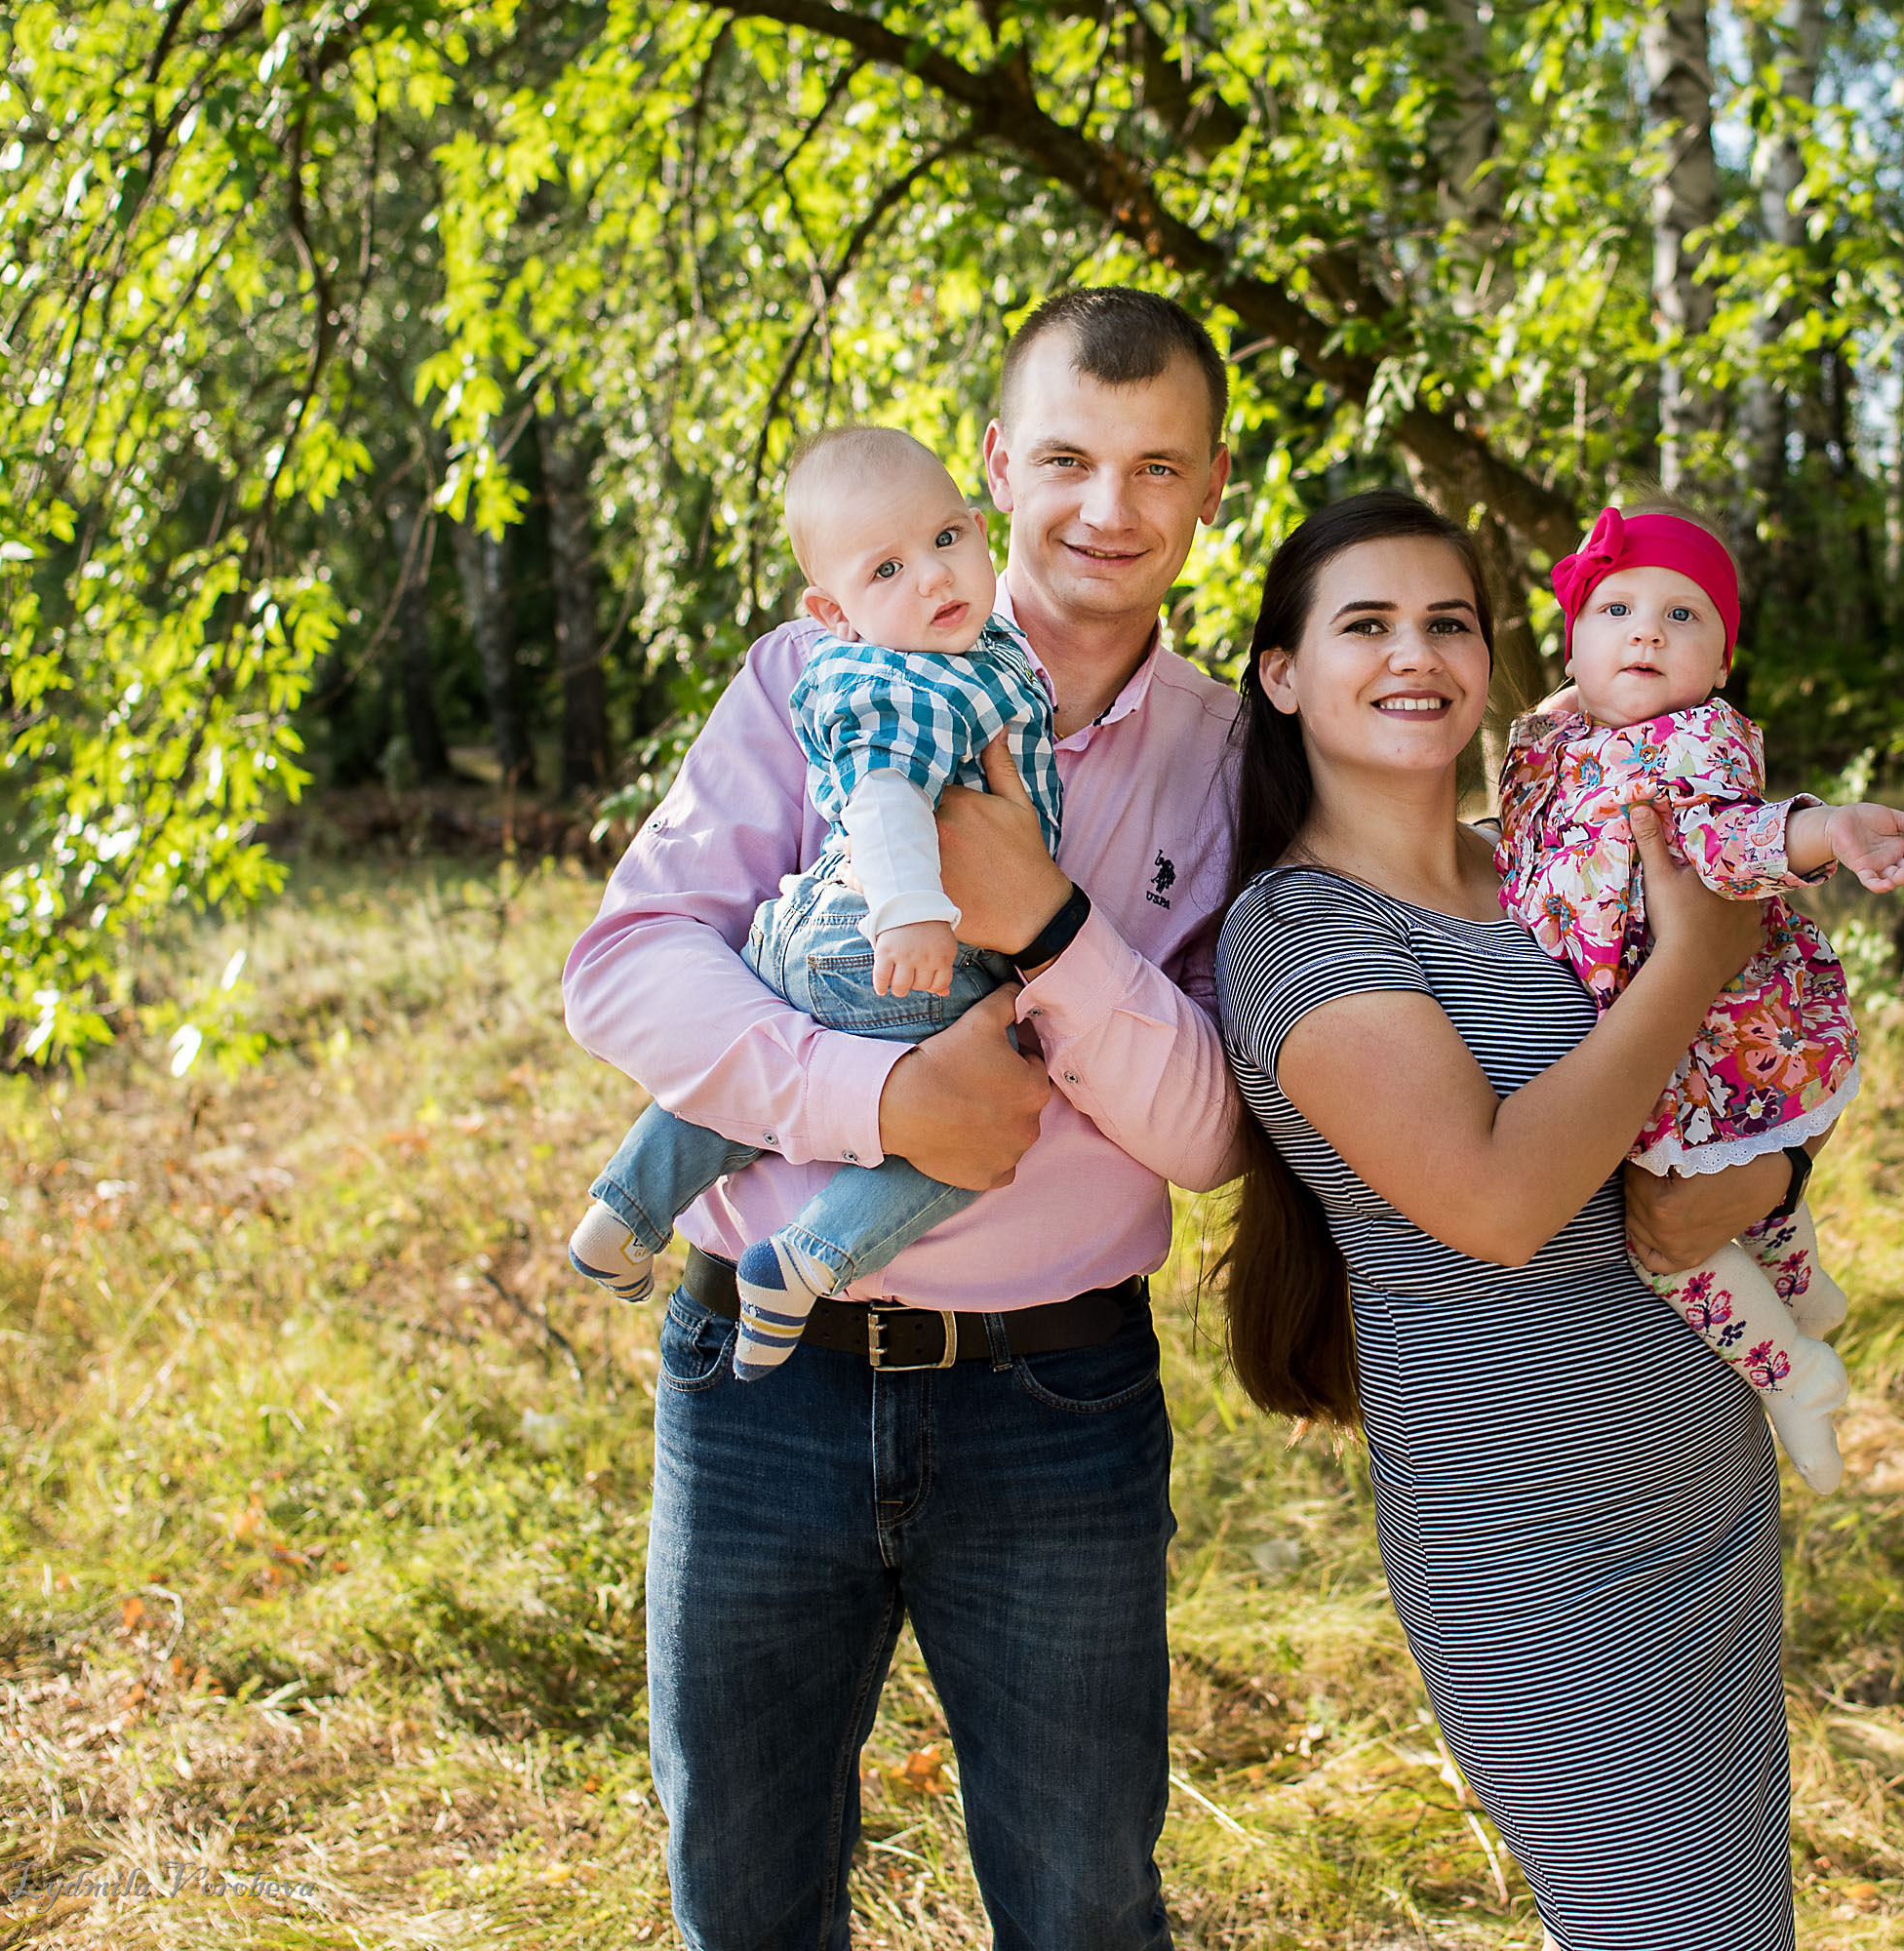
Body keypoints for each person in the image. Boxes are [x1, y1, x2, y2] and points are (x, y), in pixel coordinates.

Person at [562, 288, 1241, 1949]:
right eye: (1068, 458)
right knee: (744, 1891)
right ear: (999, 461)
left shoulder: (1233, 753)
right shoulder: (814, 673)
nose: (1106, 508)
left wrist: (1054, 929)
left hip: (1055, 1402)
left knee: (1084, 1907)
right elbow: (631, 965)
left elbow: (1216, 1129)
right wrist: (886, 1097)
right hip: (756, 1395)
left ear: (1213, 485)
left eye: (1158, 468)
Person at [1212, 490, 1794, 1947]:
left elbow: (1748, 1062)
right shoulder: (1294, 930)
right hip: (1535, 1544)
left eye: (1449, 622)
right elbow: (1496, 1200)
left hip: (1707, 1494)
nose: (1417, 655)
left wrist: (1779, 1178)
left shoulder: (1546, 864)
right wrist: (1701, 945)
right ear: (1282, 676)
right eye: (1367, 625)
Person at [567, 425, 1065, 1380]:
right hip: (900, 952)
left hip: (799, 935)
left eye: (947, 542)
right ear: (833, 612)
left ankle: (622, 1213)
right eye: (888, 569)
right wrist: (912, 911)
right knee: (968, 1128)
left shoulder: (935, 650)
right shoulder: (922, 679)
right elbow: (883, 792)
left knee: (745, 1087)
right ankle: (804, 1263)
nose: (932, 578)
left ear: (978, 528)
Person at [1497, 497, 1904, 1491]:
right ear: (1572, 644)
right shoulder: (1556, 744)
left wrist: (1826, 831)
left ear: (1723, 667)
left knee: (1674, 1229)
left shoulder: (1692, 747)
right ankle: (1802, 1293)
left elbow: (1734, 839)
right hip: (1650, 1023)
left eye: (1682, 615)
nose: (1646, 629)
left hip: (1708, 1031)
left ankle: (1791, 1368)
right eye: (1615, 610)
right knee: (1720, 1191)